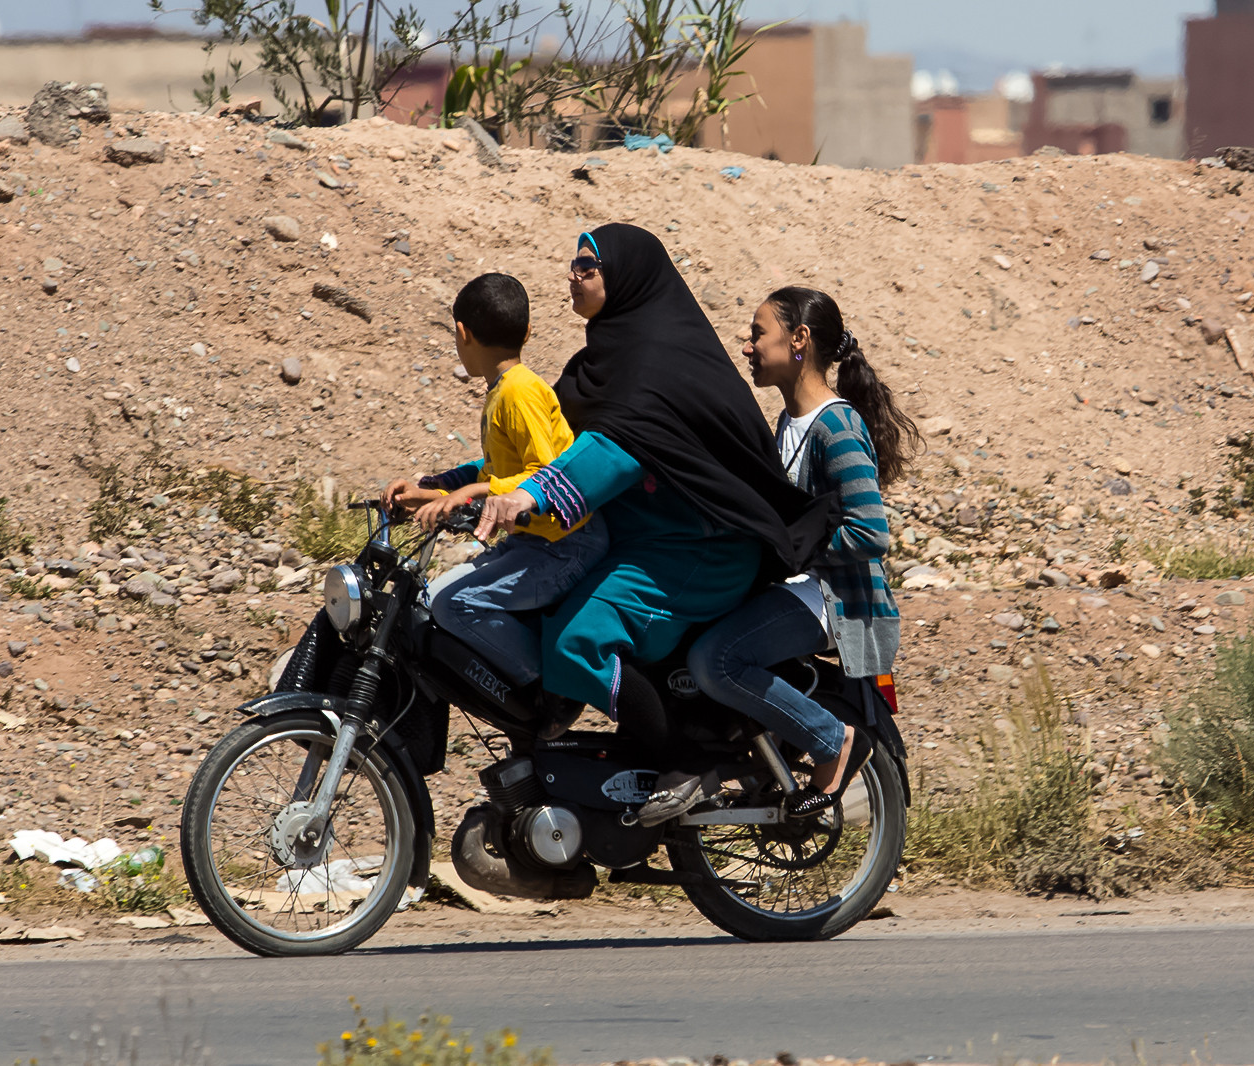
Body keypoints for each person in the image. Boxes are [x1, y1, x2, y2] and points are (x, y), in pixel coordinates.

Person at [475, 225, 834, 748]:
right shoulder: (601, 362)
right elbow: (557, 447)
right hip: (646, 542)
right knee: (542, 614)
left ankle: (678, 761)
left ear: (625, 277)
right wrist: (454, 486)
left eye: (587, 267)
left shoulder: (655, 359)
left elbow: (617, 449)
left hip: (702, 548)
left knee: (578, 639)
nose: (573, 277)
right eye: (573, 266)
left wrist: (531, 496)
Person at [653, 286, 919, 823]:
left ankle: (834, 742)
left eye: (758, 333)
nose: (747, 346)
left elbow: (870, 533)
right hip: (803, 588)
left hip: (836, 599)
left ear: (799, 340)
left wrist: (799, 551)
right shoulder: (787, 425)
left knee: (717, 660)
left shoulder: (836, 426)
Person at [382, 272, 608, 686]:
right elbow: (496, 472)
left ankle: (545, 689)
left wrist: (470, 491)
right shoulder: (505, 389)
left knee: (454, 606)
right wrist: (426, 492)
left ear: (461, 332)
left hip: (565, 546)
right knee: (432, 600)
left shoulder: (519, 393)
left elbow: (547, 475)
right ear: (527, 332)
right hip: (536, 544)